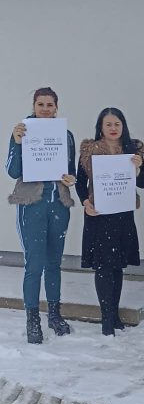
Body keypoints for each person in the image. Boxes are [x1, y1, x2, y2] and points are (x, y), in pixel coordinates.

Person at [6, 87, 76, 344]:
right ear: (34, 106)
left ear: (56, 107)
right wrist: (16, 142)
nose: (45, 109)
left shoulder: (65, 135)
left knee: (54, 263)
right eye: (40, 104)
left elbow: (70, 169)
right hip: (32, 204)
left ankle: (54, 314)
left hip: (58, 203)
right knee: (34, 264)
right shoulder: (22, 131)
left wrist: (70, 178)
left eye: (50, 105)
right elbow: (12, 171)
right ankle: (32, 318)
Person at [76, 108, 144, 336]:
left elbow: (143, 183)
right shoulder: (89, 150)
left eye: (117, 124)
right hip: (99, 215)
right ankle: (106, 318)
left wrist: (139, 167)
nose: (113, 128)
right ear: (101, 127)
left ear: (123, 126)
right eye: (108, 124)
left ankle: (114, 314)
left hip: (122, 215)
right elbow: (80, 182)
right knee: (104, 266)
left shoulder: (132, 150)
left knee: (117, 266)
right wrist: (85, 202)